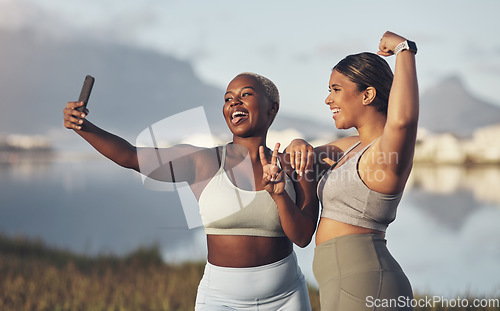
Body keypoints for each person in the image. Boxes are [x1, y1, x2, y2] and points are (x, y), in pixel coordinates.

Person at [63, 72, 318, 310]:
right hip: (220, 301)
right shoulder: (202, 162)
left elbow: (304, 237)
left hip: (286, 299)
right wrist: (83, 127)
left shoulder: (295, 164)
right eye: (228, 98)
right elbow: (131, 156)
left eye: (246, 95)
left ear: (272, 108)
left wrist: (280, 195)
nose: (234, 102)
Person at [286, 31, 418, 310]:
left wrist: (404, 50)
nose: (327, 100)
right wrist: (299, 143)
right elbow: (296, 160)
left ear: (367, 94)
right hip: (344, 283)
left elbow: (403, 120)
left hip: (368, 285)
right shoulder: (350, 148)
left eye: (336, 89)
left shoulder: (386, 154)